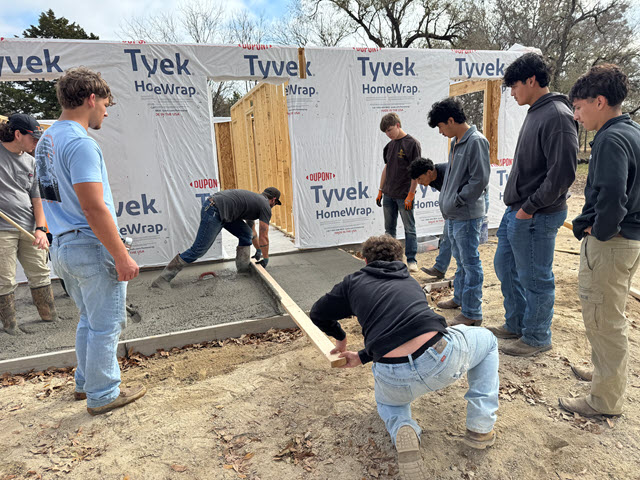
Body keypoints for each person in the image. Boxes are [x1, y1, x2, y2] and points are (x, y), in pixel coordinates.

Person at [309, 235, 499, 480]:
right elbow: (408, 327)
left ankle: (402, 426)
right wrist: (363, 356)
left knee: (389, 404)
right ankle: (480, 429)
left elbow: (318, 313)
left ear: (364, 260)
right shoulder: (409, 280)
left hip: (391, 370)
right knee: (488, 340)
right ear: (399, 260)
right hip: (439, 357)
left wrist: (342, 337)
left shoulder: (353, 283)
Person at [34, 67, 145, 415]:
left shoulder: (46, 141)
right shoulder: (81, 143)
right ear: (91, 99)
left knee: (89, 320)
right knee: (106, 325)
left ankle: (85, 384)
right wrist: (121, 255)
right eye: (106, 105)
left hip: (63, 245)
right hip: (89, 245)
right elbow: (93, 206)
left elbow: (51, 197)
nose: (106, 113)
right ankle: (103, 394)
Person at [558, 65, 640, 417]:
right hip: (629, 241)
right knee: (607, 315)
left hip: (612, 244)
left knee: (604, 320)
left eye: (578, 107)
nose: (576, 116)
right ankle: (603, 374)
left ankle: (604, 401)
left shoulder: (610, 139)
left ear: (600, 102)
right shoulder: (633, 131)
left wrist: (601, 230)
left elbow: (612, 196)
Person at [491, 53, 578, 356]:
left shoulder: (557, 115)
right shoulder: (536, 112)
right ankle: (516, 322)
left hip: (537, 214)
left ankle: (537, 337)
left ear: (531, 80)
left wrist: (529, 208)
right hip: (518, 210)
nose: (512, 92)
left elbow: (562, 174)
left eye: (514, 86)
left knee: (535, 278)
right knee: (505, 266)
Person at [426, 98, 490, 326]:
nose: (441, 132)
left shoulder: (476, 141)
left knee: (470, 263)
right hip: (454, 215)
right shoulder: (456, 142)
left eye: (441, 126)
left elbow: (479, 179)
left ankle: (472, 312)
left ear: (451, 120)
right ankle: (461, 299)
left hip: (467, 215)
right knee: (461, 262)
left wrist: (458, 200)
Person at [151, 187, 281, 288]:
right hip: (214, 210)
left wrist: (258, 250)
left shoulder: (254, 202)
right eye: (275, 204)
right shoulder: (265, 205)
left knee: (246, 234)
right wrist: (266, 258)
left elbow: (252, 233)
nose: (273, 206)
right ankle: (162, 280)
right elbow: (264, 234)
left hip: (223, 210)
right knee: (198, 250)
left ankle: (243, 270)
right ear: (273, 200)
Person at [0, 114, 57, 334]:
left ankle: (49, 317)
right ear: (17, 134)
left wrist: (41, 229)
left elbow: (38, 199)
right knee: (5, 280)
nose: (37, 142)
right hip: (3, 230)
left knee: (40, 273)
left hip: (30, 227)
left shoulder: (31, 162)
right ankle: (11, 326)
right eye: (33, 137)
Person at [376, 113, 421, 272]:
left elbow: (416, 172)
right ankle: (391, 260)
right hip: (389, 194)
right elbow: (387, 168)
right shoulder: (389, 146)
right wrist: (380, 190)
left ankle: (411, 260)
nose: (388, 134)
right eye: (385, 132)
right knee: (389, 230)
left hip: (404, 194)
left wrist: (411, 194)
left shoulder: (412, 144)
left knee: (409, 228)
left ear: (398, 125)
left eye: (390, 130)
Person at [408, 158, 450, 279]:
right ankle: (440, 268)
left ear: (429, 172)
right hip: (455, 208)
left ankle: (461, 273)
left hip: (473, 201)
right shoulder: (430, 179)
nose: (419, 183)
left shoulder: (447, 172)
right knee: (448, 236)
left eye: (419, 179)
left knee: (460, 239)